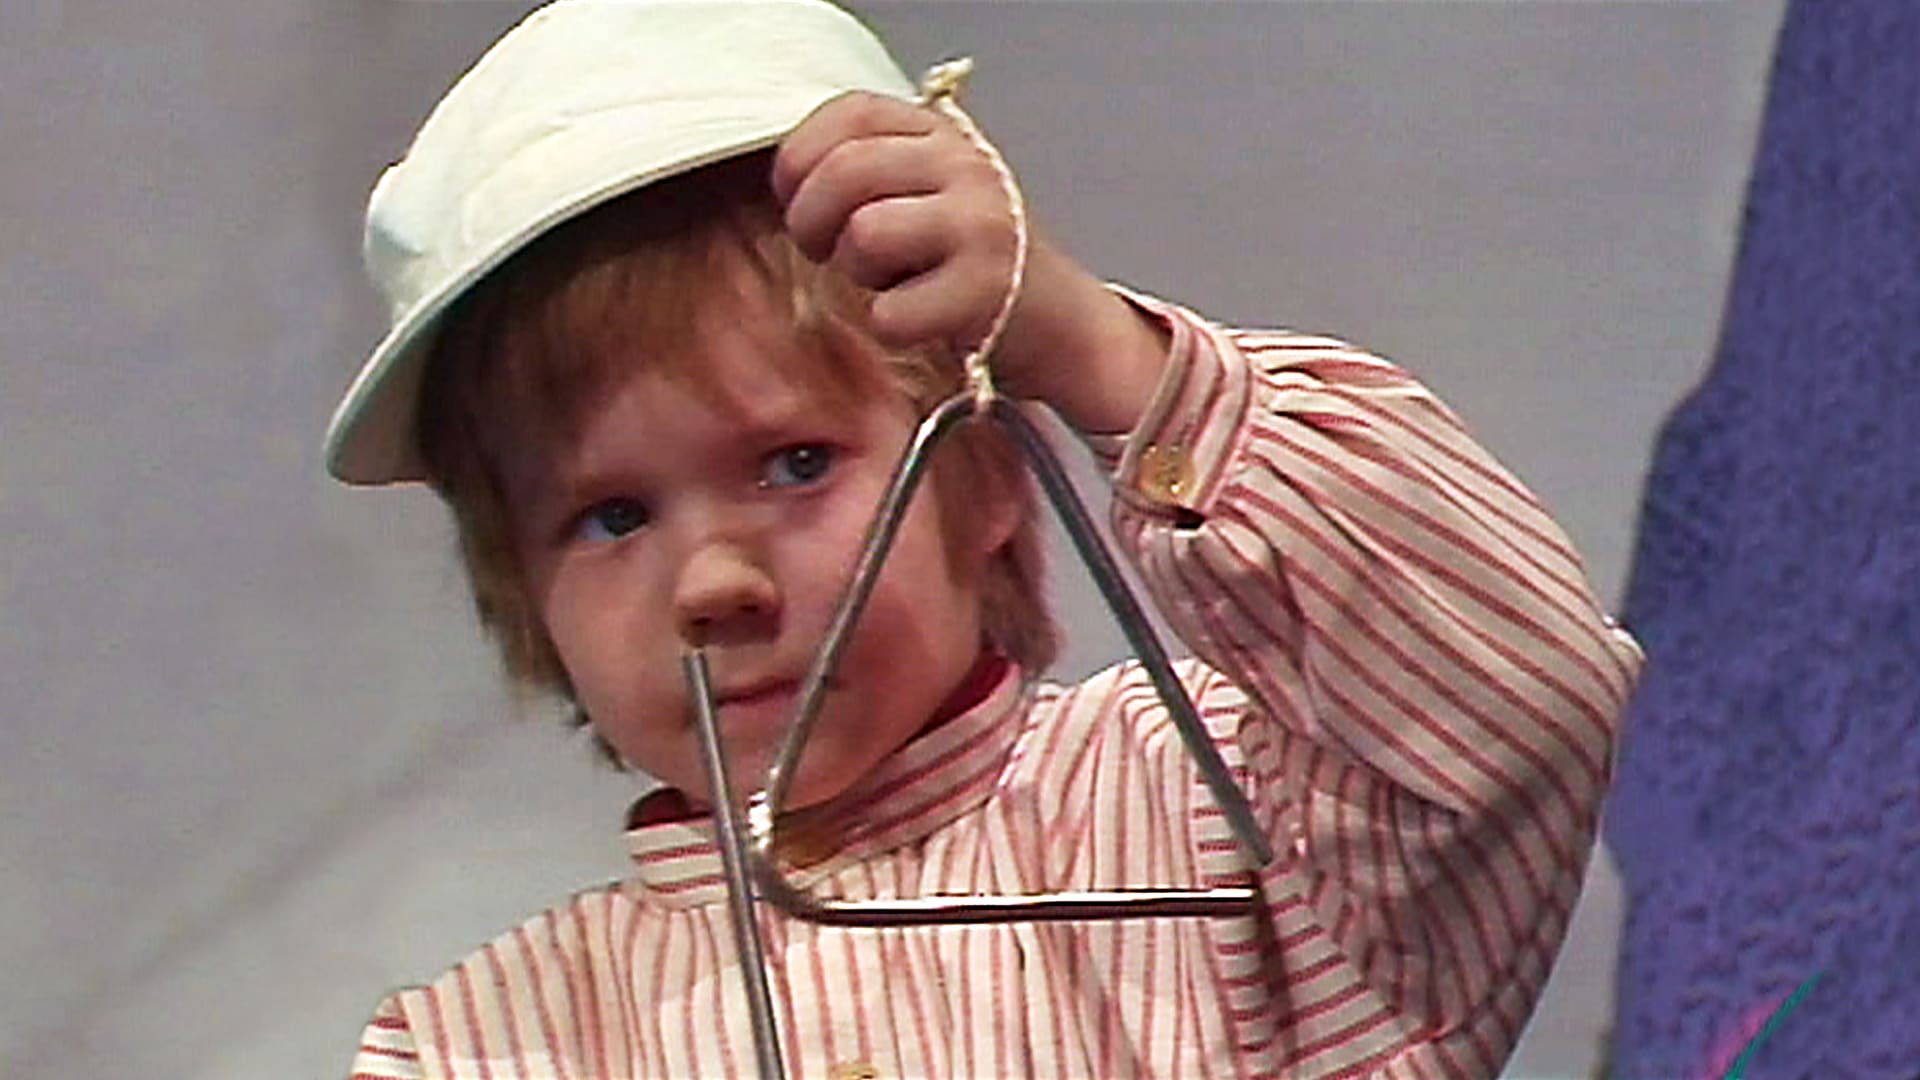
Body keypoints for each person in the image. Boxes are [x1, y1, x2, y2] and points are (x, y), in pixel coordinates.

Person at [328, 1, 1642, 1077]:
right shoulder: (482, 1051)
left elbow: (1520, 697)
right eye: (612, 517)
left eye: (795, 464)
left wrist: (1093, 350)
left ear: (997, 470)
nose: (716, 583)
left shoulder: (1227, 818)